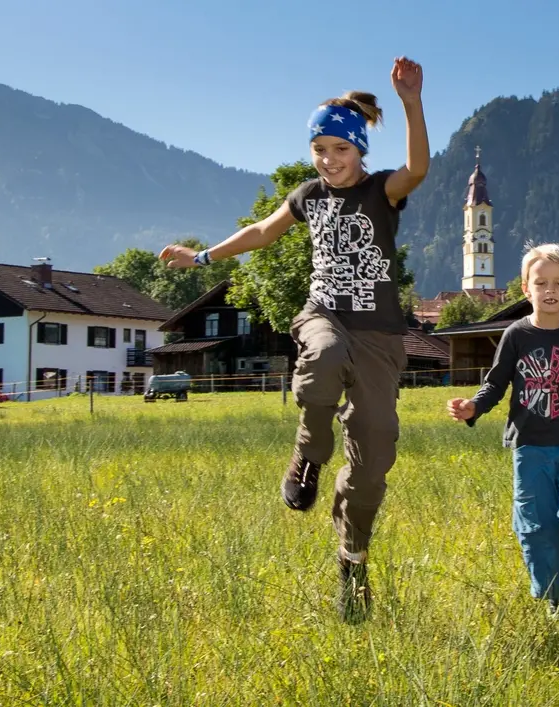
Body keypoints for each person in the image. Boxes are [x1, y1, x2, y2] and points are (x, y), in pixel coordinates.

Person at [160, 58, 429, 623]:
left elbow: (419, 169)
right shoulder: (308, 195)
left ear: (360, 152)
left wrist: (410, 102)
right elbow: (262, 231)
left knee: (375, 456)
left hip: (379, 335)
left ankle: (352, 559)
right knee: (324, 355)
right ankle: (308, 454)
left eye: (341, 150)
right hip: (324, 314)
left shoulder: (384, 192)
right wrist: (203, 255)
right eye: (320, 149)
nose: (329, 160)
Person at [446, 245, 559, 617]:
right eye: (540, 282)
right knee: (536, 526)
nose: (550, 289)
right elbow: (495, 384)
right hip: (529, 449)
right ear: (525, 288)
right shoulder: (516, 335)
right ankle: (555, 599)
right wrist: (473, 407)